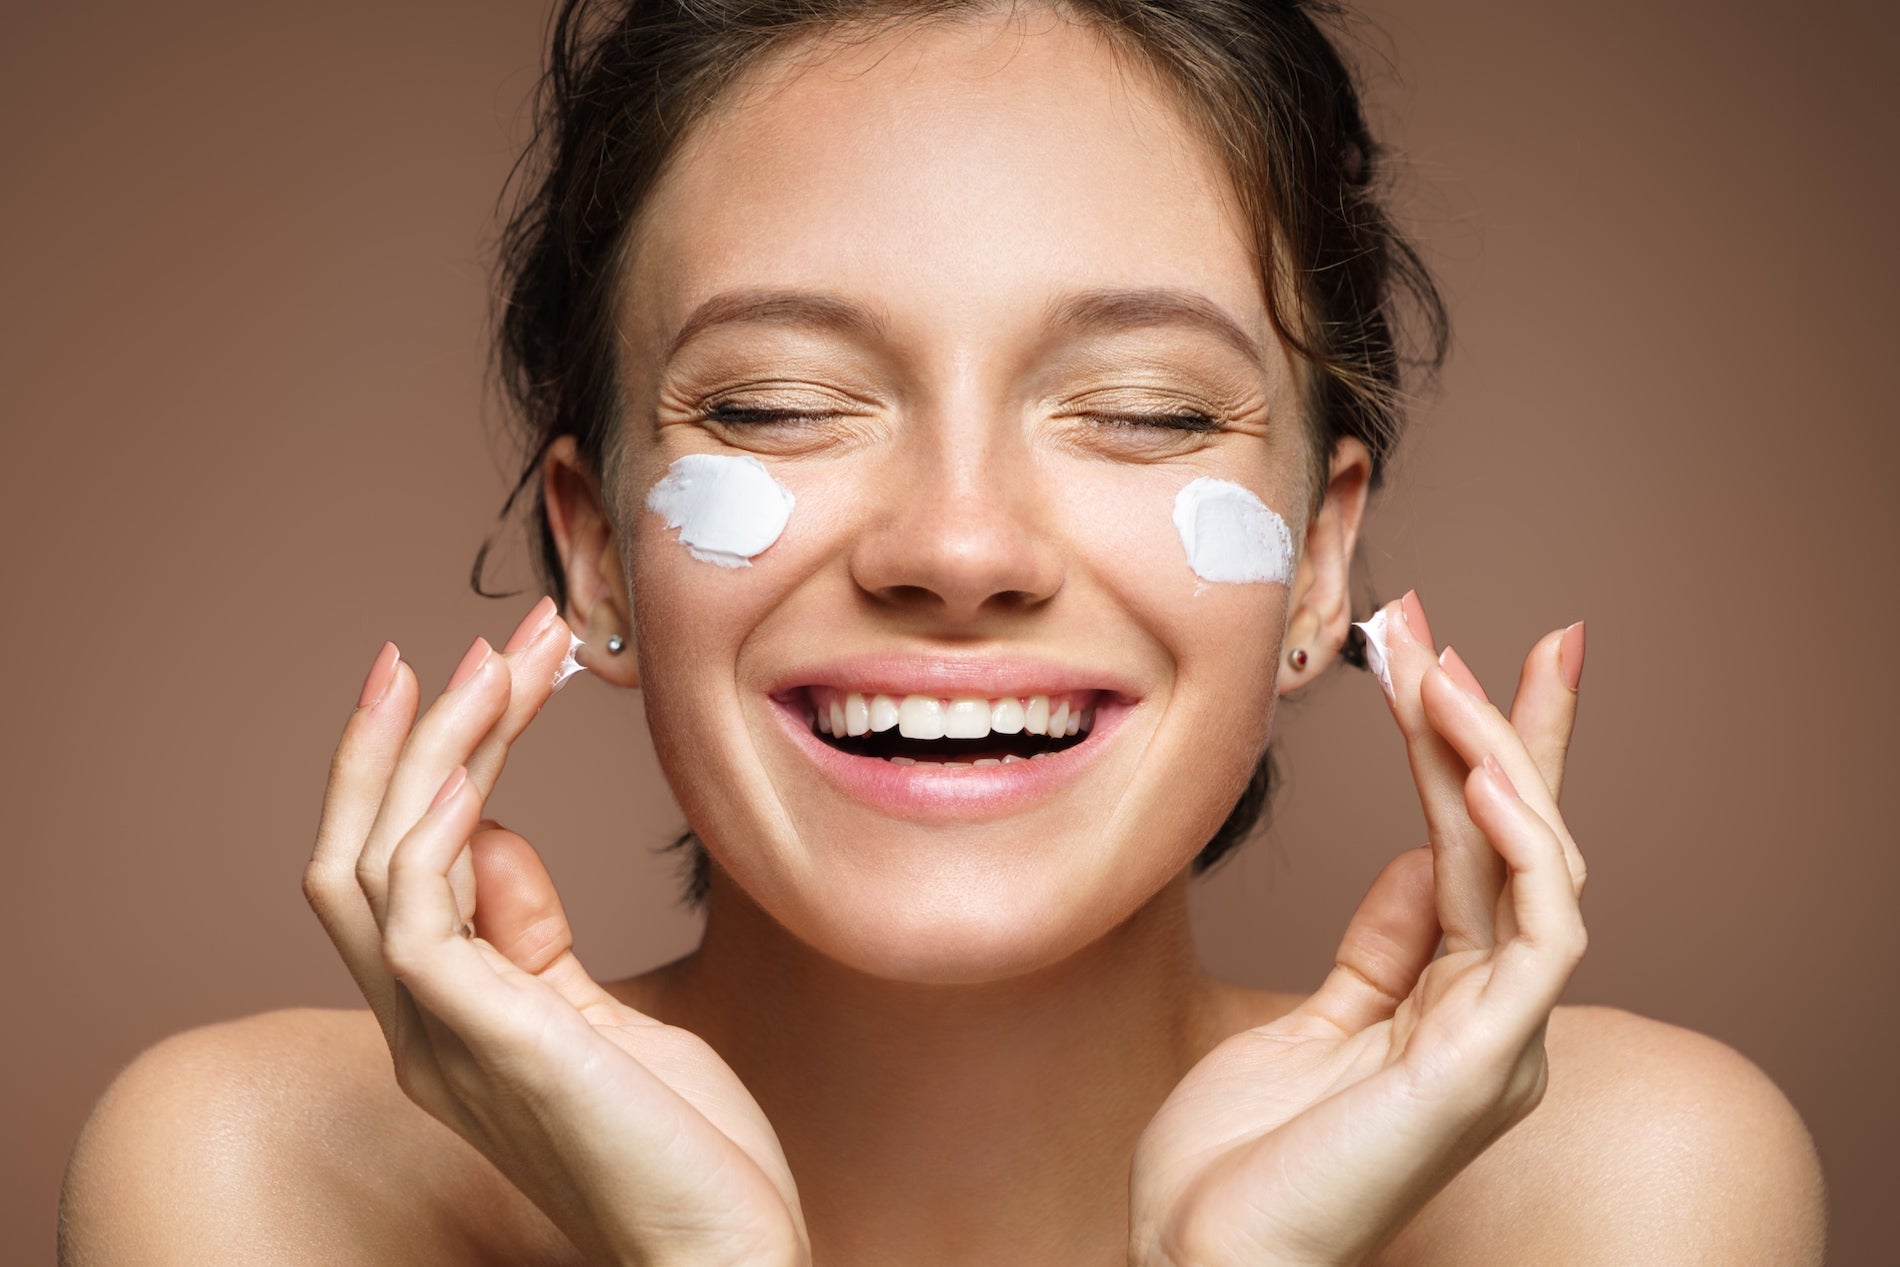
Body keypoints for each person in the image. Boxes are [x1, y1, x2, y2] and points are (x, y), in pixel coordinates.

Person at [59, 1, 1828, 1263]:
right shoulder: (261, 1184)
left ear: (1314, 569)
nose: (959, 545)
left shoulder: (1625, 1190)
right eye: (773, 405)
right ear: (593, 557)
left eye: (1142, 409)